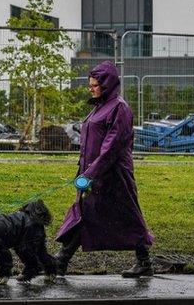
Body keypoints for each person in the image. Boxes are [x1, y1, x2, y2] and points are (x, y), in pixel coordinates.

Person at [55, 61, 155, 278]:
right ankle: (62, 260)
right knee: (84, 212)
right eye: (89, 84)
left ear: (107, 84)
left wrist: (89, 174)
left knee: (126, 215)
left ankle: (144, 260)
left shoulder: (119, 108)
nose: (90, 88)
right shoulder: (99, 107)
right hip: (95, 175)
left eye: (94, 85)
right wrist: (84, 171)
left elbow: (111, 148)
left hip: (114, 176)